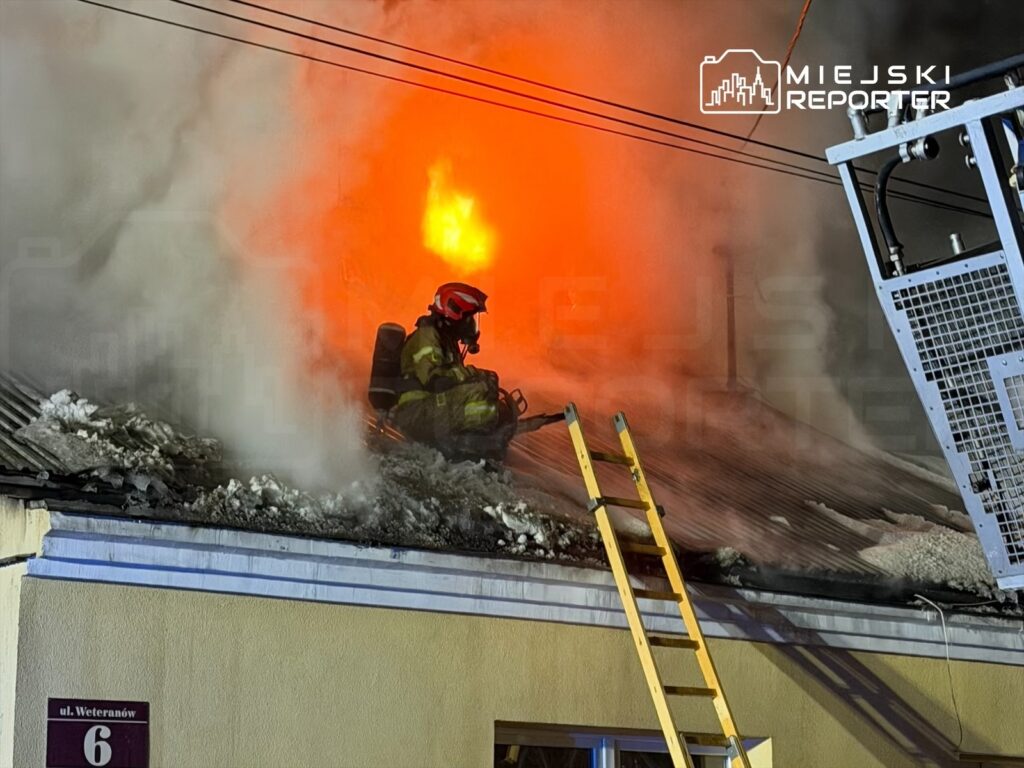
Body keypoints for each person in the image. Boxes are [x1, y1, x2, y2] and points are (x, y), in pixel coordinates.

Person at [392, 282, 514, 458]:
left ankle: (479, 444)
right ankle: (469, 447)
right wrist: (474, 374)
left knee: (497, 405)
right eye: (469, 319)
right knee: (482, 392)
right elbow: (434, 379)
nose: (471, 325)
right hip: (415, 412)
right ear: (453, 311)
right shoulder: (427, 336)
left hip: (430, 408)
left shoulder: (446, 340)